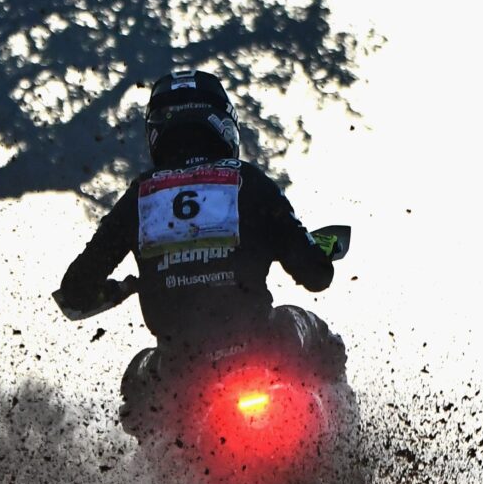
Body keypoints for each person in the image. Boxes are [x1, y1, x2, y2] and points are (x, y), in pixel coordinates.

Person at [54, 68, 344, 434]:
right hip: (259, 345)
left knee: (137, 384)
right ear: (222, 122)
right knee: (314, 330)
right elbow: (316, 275)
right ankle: (345, 454)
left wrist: (118, 289)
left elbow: (76, 288)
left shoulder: (141, 196)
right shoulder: (247, 181)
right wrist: (310, 253)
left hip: (181, 367)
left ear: (157, 131)